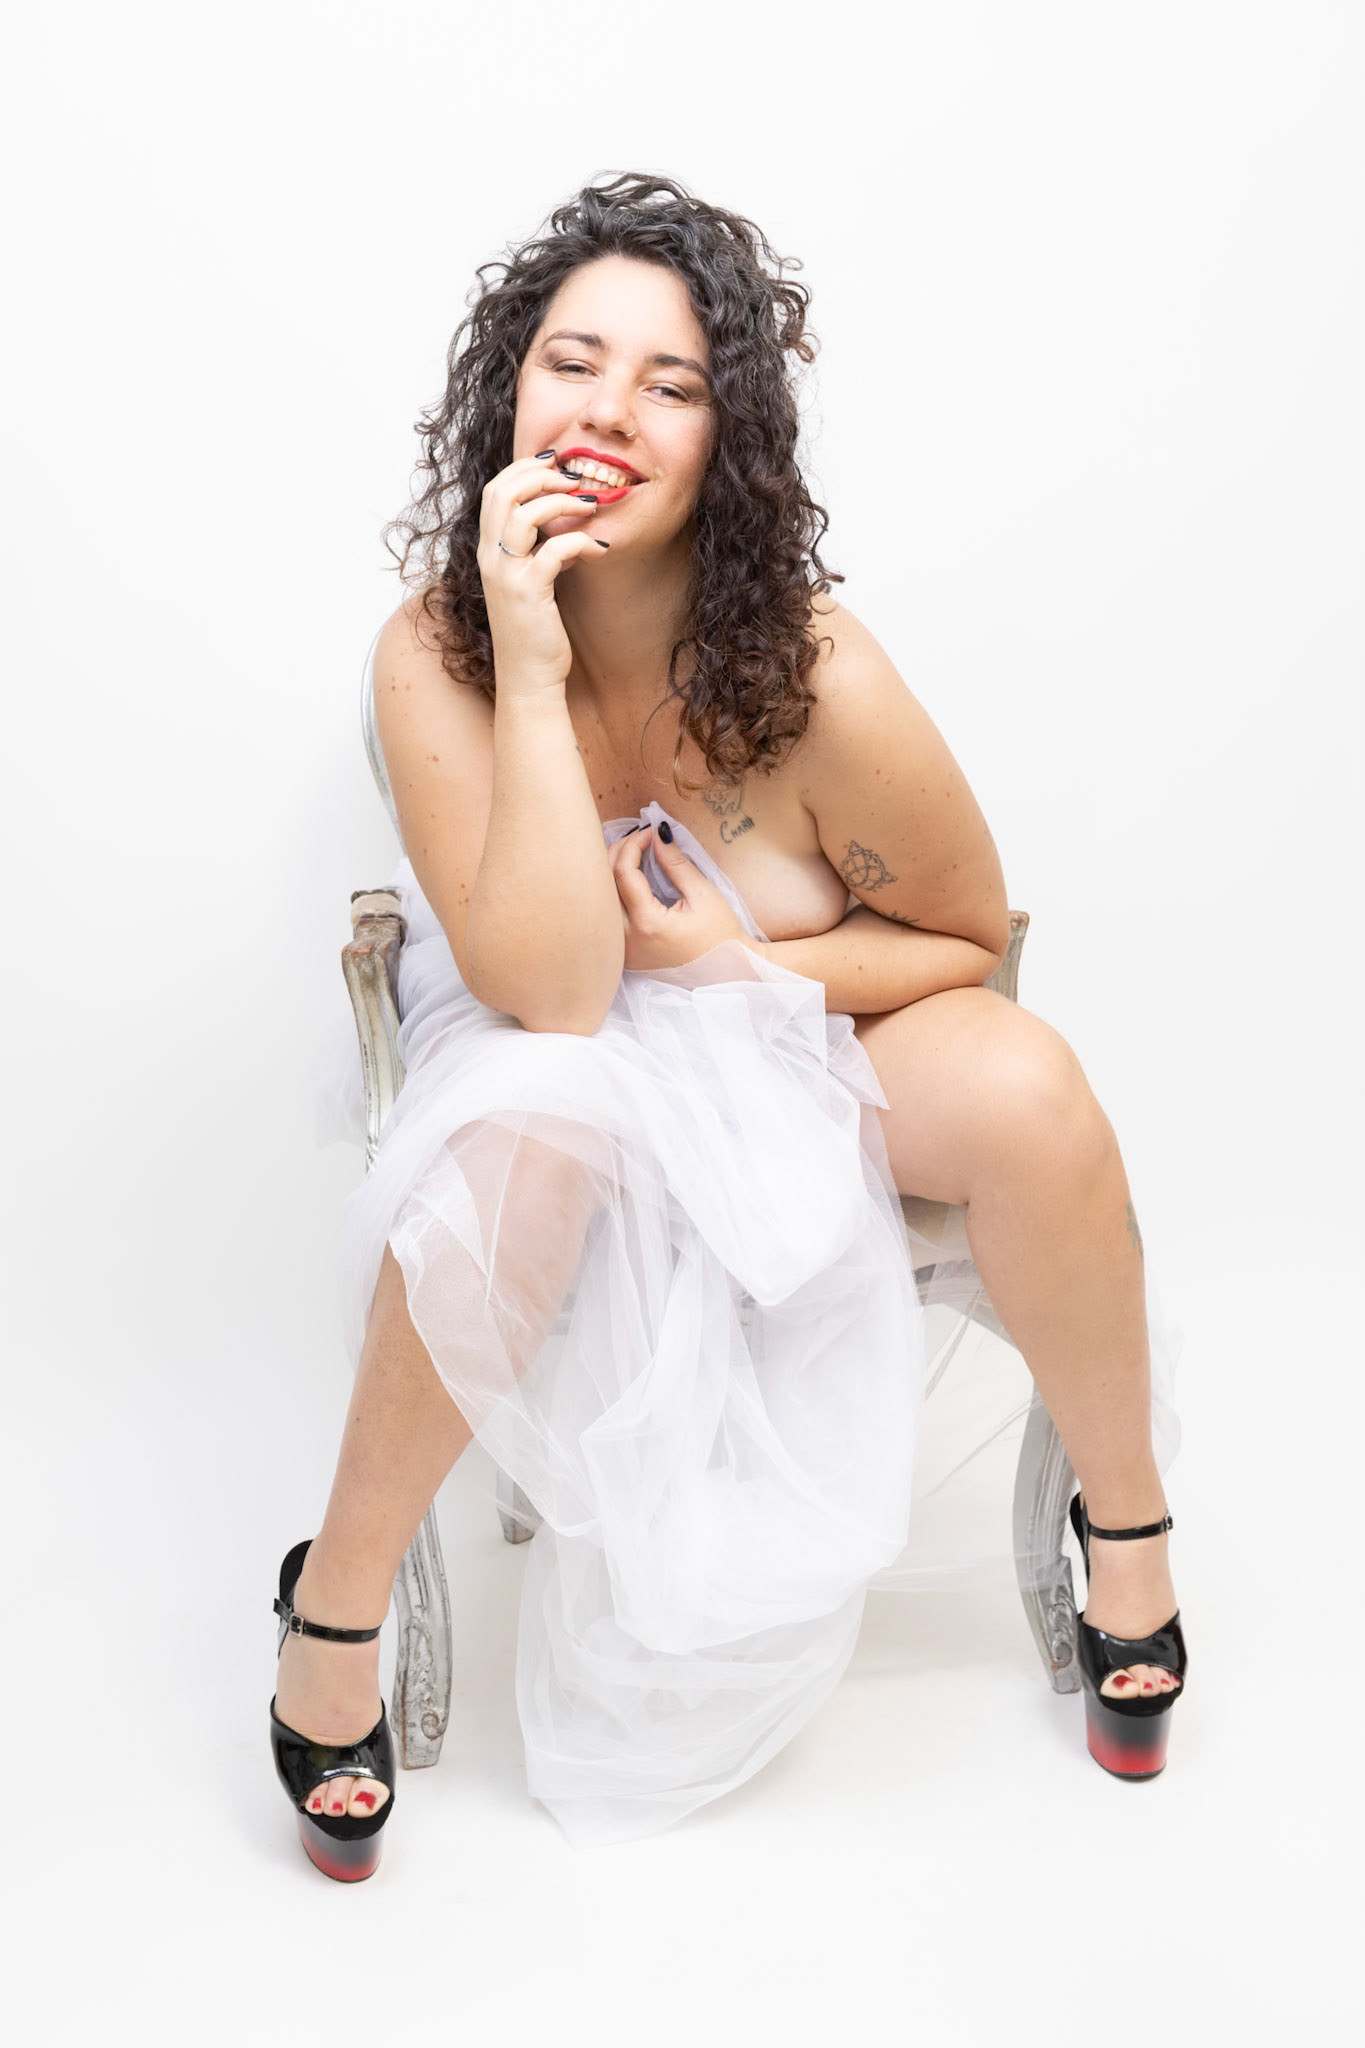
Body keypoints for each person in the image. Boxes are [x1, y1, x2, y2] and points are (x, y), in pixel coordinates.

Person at [270, 172, 1188, 1878]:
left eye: (671, 384)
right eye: (571, 363)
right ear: (508, 395)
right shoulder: (435, 651)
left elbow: (961, 937)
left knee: (1028, 1082)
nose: (608, 411)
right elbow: (554, 997)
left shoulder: (813, 669)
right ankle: (331, 1610)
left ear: (726, 443)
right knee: (534, 1121)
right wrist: (530, 661)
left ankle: (1124, 1536)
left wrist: (734, 976)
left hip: (778, 1033)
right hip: (538, 1045)